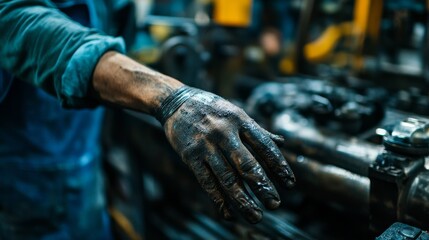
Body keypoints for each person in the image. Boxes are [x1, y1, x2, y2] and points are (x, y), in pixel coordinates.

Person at [0, 0, 295, 239]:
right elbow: (24, 26)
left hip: (84, 170)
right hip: (22, 184)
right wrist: (170, 97)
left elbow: (113, 35)